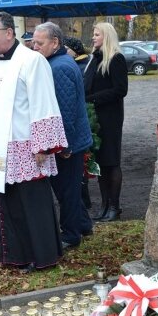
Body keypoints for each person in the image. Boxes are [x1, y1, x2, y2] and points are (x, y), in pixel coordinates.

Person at [0, 11, 68, 272]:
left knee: (31, 203)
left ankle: (42, 255)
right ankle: (15, 254)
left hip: (26, 147)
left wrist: (43, 146)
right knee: (6, 201)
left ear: (9, 32)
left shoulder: (32, 61)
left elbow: (43, 102)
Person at [32, 22, 93, 249]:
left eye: (39, 43)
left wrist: (63, 147)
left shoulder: (59, 68)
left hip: (69, 142)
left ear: (55, 42)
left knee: (66, 190)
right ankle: (83, 225)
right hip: (70, 140)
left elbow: (65, 112)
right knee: (69, 188)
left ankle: (70, 235)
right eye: (33, 43)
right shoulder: (56, 62)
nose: (35, 47)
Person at [84, 22, 128, 222]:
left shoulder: (116, 59)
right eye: (93, 34)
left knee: (112, 162)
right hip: (95, 118)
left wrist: (93, 98)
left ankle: (114, 206)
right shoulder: (95, 58)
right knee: (100, 163)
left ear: (107, 36)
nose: (93, 37)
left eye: (97, 34)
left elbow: (120, 90)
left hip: (110, 117)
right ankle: (103, 205)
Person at [64, 36, 93, 209]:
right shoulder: (74, 64)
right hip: (81, 125)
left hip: (77, 130)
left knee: (75, 173)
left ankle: (83, 204)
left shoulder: (75, 65)